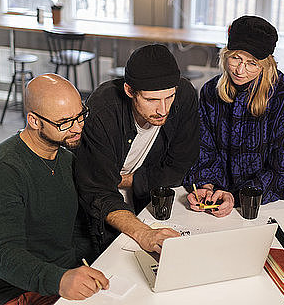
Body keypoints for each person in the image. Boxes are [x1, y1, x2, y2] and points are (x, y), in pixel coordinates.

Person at [0, 74, 109, 305]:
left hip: (61, 279)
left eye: (80, 116)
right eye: (64, 122)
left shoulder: (67, 158)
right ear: (34, 121)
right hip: (13, 293)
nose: (77, 129)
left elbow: (77, 231)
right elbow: (3, 256)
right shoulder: (2, 171)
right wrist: (60, 280)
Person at [74, 44, 199, 252]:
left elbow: (181, 165)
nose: (163, 110)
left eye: (169, 97)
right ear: (129, 91)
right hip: (99, 204)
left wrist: (129, 180)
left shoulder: (185, 94)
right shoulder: (103, 110)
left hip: (147, 197)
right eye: (151, 100)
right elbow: (98, 192)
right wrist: (143, 232)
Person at [183, 15, 284, 217]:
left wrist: (240, 196)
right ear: (225, 55)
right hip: (220, 199)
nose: (240, 70)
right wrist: (206, 187)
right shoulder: (210, 92)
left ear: (266, 64)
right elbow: (204, 149)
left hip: (273, 202)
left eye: (251, 63)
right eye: (235, 59)